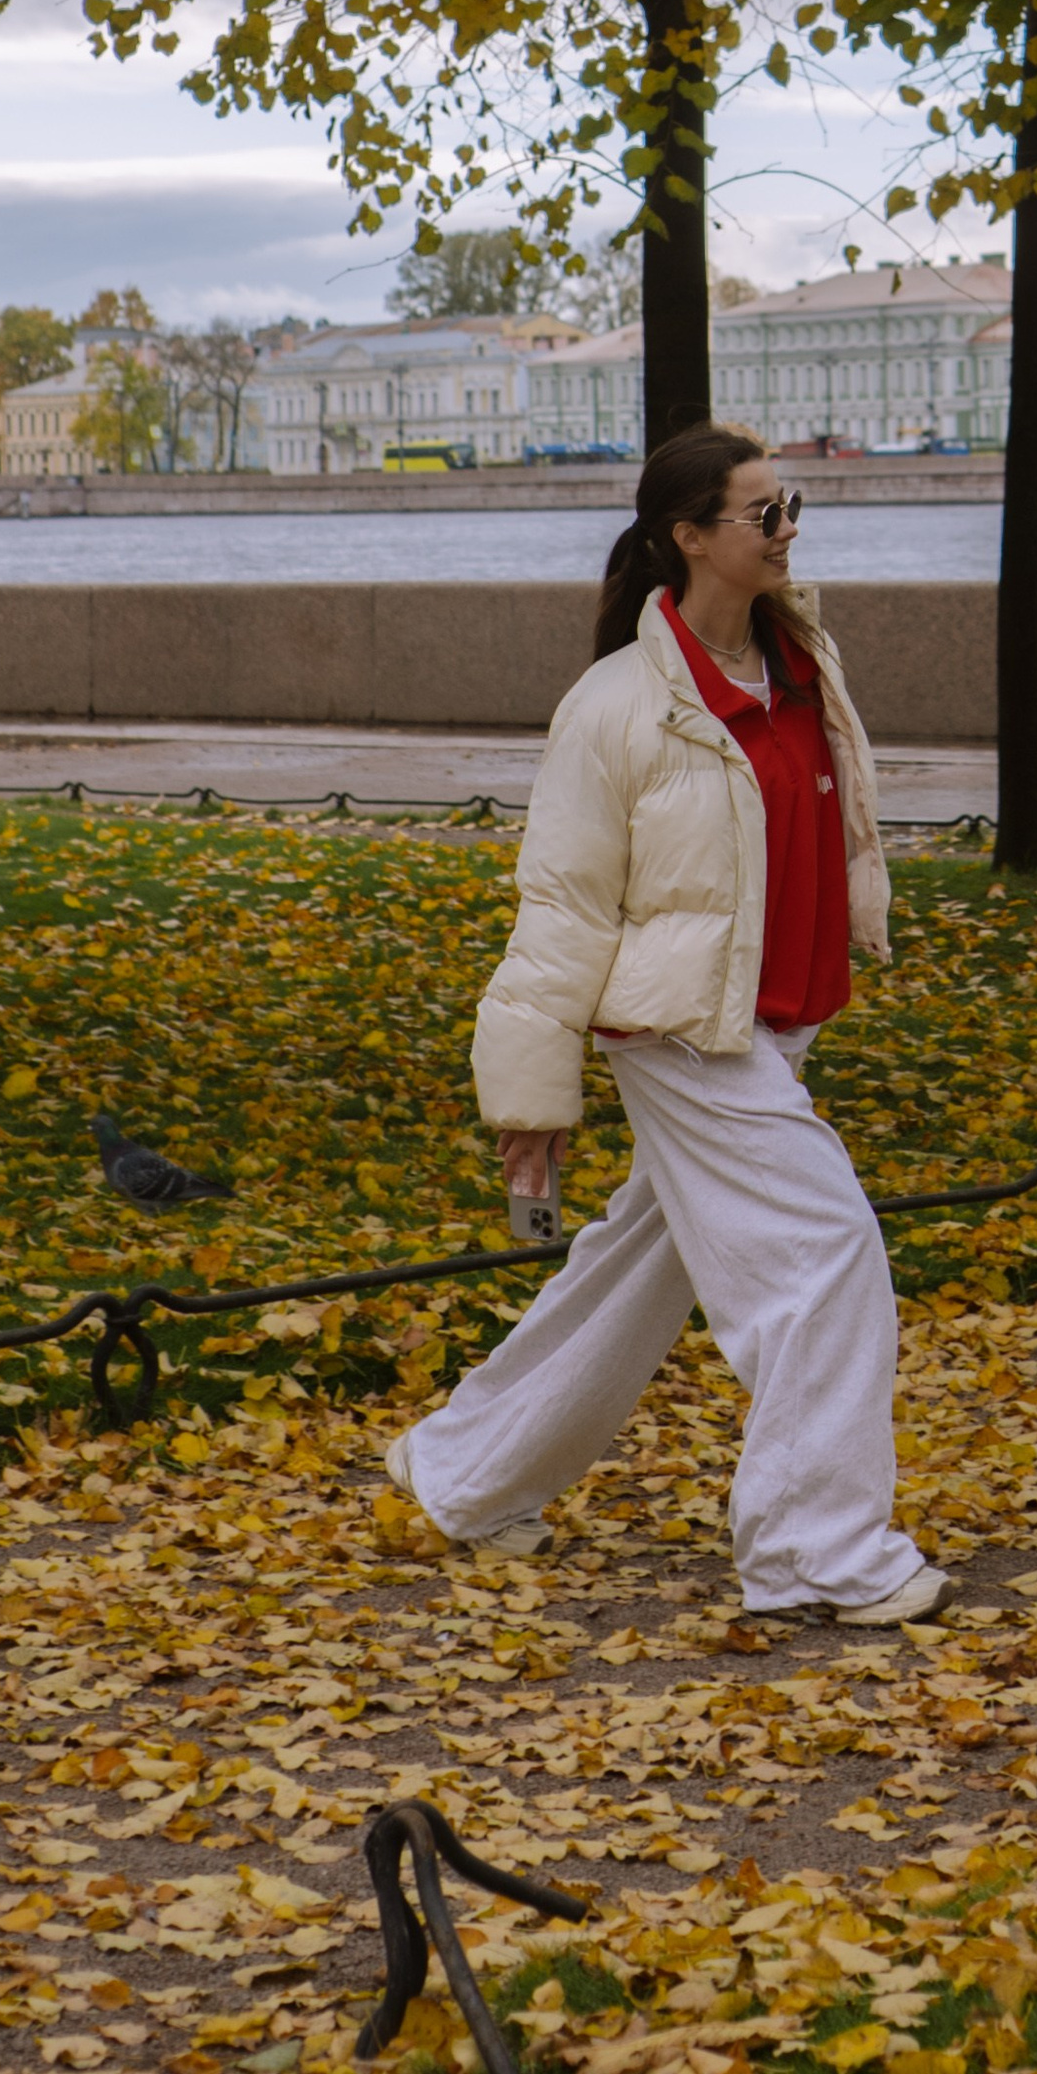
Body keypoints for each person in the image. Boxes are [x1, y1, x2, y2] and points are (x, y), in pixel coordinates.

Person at [384, 419, 947, 1623]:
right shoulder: (615, 708)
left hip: (775, 1017)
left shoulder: (801, 658)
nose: (787, 529)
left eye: (788, 505)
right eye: (762, 514)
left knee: (642, 1265)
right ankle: (813, 1550)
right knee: (824, 1255)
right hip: (684, 1035)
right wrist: (530, 1103)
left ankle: (463, 1474)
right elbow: (561, 912)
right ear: (687, 538)